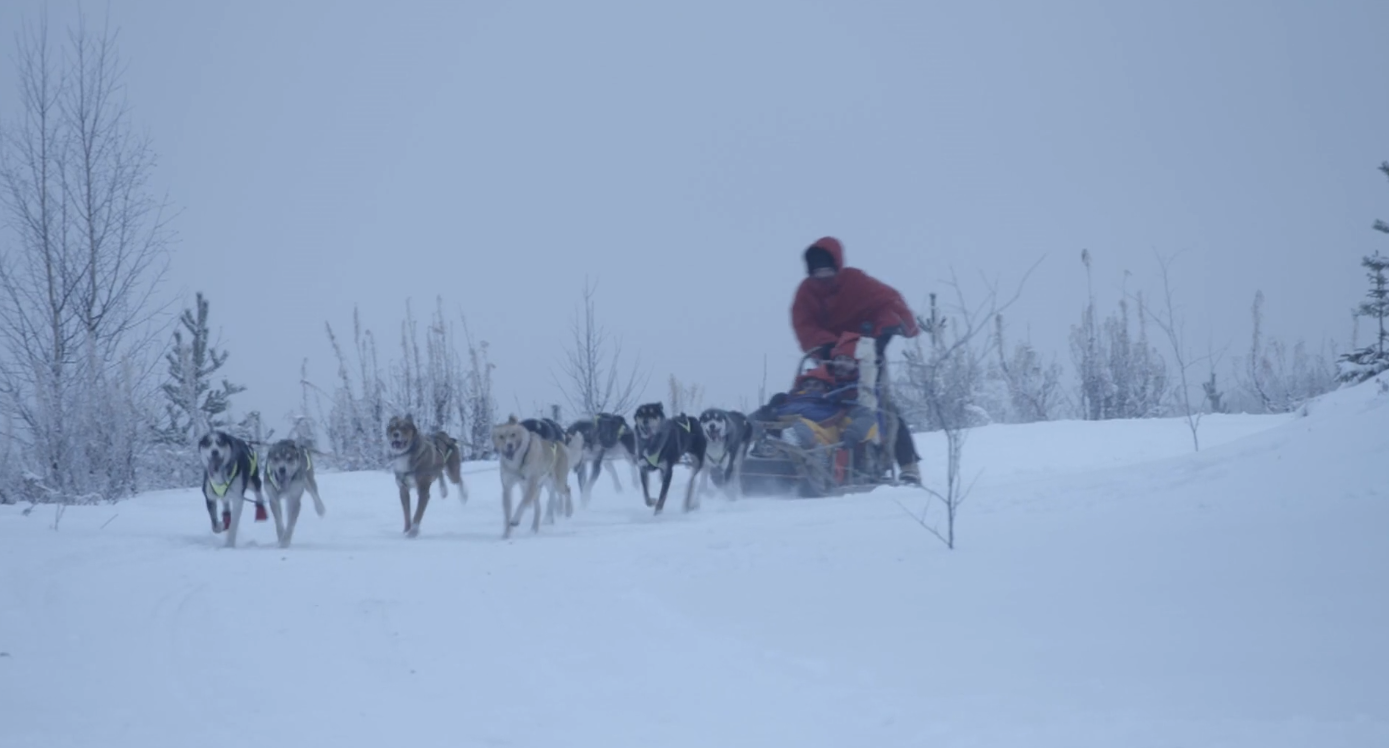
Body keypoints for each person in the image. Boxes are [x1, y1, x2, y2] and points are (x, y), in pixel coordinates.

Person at [791, 237, 922, 484]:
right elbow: (804, 325)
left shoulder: (857, 283)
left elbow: (889, 303)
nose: (823, 275)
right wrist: (829, 347)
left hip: (867, 355)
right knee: (826, 404)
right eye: (817, 271)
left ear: (837, 265)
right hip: (830, 360)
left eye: (827, 269)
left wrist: (884, 334)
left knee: (882, 407)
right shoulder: (805, 293)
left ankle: (908, 465)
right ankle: (827, 458)